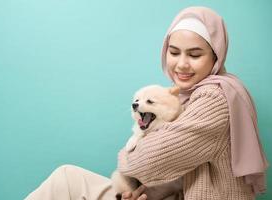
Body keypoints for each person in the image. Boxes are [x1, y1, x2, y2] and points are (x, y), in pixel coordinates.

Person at [25, 6, 268, 200]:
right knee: (67, 178)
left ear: (216, 55)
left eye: (194, 55)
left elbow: (148, 161)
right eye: (174, 52)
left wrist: (125, 158)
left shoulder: (215, 99)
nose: (182, 64)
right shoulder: (188, 96)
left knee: (66, 182)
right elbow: (178, 170)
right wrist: (148, 193)